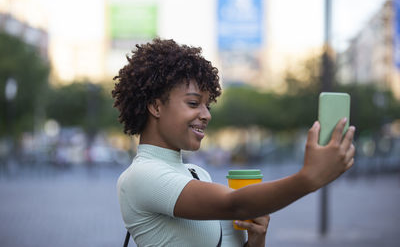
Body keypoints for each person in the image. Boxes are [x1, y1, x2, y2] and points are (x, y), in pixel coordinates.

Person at [112, 38, 355, 247]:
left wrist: (255, 241)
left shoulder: (197, 174)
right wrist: (309, 178)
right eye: (194, 103)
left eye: (208, 105)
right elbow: (234, 204)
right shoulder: (140, 177)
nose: (206, 115)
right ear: (155, 106)